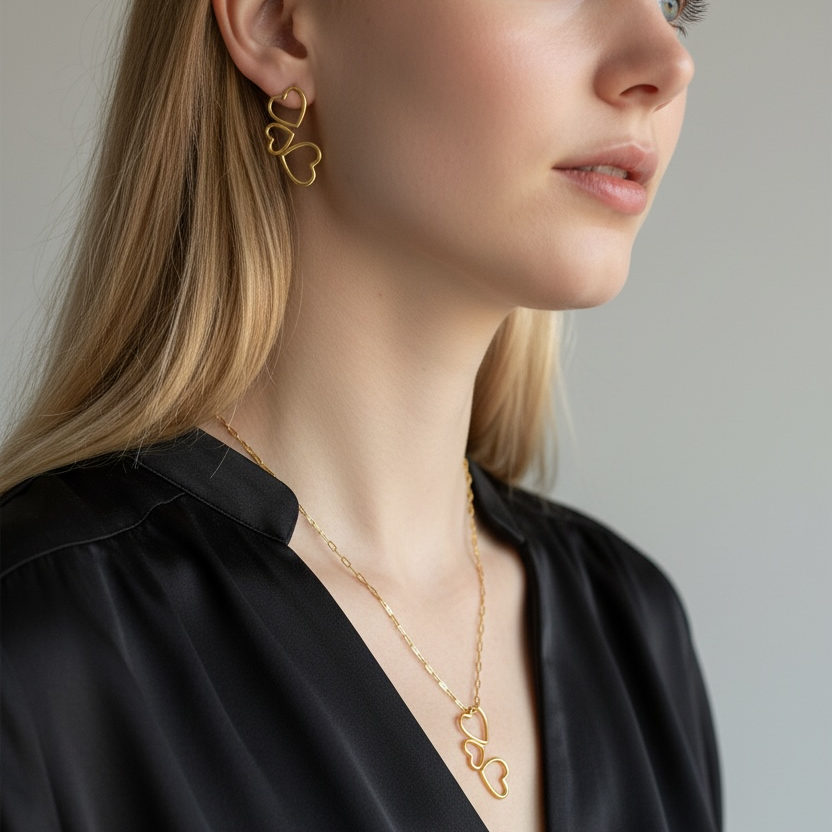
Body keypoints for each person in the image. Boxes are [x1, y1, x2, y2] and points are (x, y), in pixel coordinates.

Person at [0, 0, 720, 830]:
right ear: (277, 24)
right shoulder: (43, 648)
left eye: (678, 4)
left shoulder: (634, 632)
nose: (667, 62)